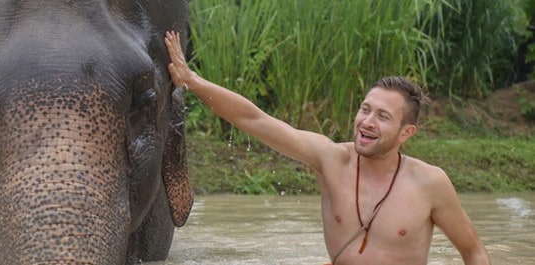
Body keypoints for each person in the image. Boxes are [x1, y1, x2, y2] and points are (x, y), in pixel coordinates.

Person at [163, 31, 491, 265]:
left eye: (383, 117)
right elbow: (255, 120)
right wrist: (191, 80)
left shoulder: (430, 183)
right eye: (365, 109)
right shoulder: (331, 159)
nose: (367, 122)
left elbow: (473, 251)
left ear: (406, 132)